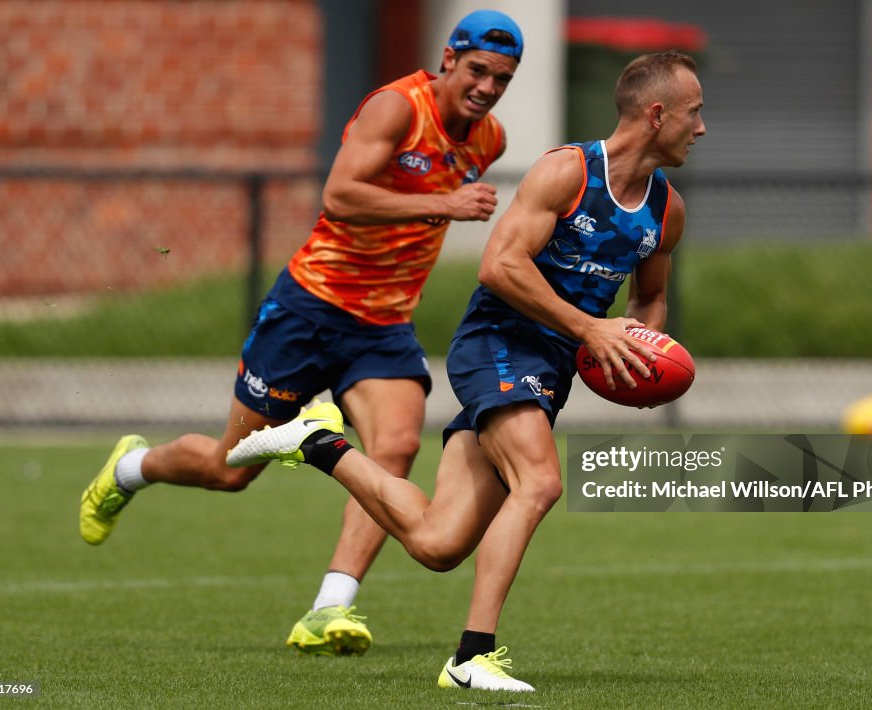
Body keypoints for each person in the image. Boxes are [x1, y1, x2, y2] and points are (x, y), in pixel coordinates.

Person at [227, 51, 706, 692]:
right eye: (694, 113)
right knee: (539, 482)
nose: (700, 128)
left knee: (438, 544)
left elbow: (649, 301)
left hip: (551, 366)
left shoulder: (665, 211)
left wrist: (640, 353)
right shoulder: (567, 172)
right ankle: (471, 658)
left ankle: (316, 440)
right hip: (498, 341)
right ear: (656, 114)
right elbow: (500, 267)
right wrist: (591, 327)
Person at [79, 10, 524, 657]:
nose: (487, 87)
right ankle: (128, 469)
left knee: (396, 446)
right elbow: (341, 195)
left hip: (384, 324)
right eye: (478, 70)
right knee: (230, 471)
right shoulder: (397, 108)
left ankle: (330, 608)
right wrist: (442, 204)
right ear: (449, 60)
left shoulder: (490, 141)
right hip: (309, 310)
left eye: (502, 78)